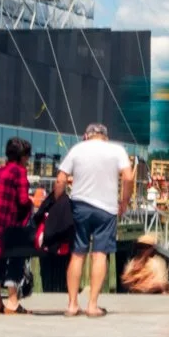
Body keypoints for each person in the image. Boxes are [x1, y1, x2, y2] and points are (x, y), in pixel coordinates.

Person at [55, 123, 134, 318]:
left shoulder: (77, 149)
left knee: (77, 254)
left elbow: (61, 179)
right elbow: (128, 177)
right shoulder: (117, 150)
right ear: (105, 136)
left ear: (87, 135)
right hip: (106, 209)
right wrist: (124, 201)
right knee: (99, 255)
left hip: (80, 206)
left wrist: (58, 200)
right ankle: (92, 305)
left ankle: (72, 305)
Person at [0, 137, 42, 315]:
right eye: (27, 156)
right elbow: (22, 200)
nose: (28, 159)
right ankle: (12, 302)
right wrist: (32, 200)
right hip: (12, 221)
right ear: (22, 156)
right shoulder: (19, 172)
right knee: (16, 257)